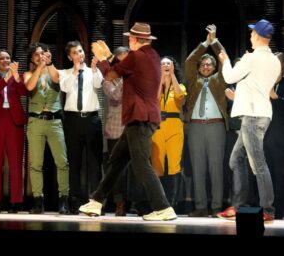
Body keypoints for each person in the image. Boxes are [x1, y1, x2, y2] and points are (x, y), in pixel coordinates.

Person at [79, 22, 177, 221]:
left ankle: (164, 208)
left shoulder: (137, 56)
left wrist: (103, 59)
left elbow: (110, 75)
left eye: (130, 38)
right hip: (141, 116)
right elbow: (125, 68)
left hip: (139, 117)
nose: (129, 40)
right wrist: (110, 57)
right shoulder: (151, 55)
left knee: (141, 165)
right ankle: (96, 201)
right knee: (117, 161)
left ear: (134, 39)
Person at [216, 19, 282, 222]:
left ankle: (268, 209)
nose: (250, 36)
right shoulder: (275, 61)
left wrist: (226, 60)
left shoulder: (251, 58)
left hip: (253, 116)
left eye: (253, 33)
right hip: (261, 114)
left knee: (258, 163)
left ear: (258, 36)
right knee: (236, 159)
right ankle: (239, 206)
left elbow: (229, 77)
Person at [183, 25, 229, 217]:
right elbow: (189, 61)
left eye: (209, 64)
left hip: (216, 126)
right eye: (202, 65)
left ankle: (217, 206)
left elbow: (224, 59)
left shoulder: (220, 79)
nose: (206, 67)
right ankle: (201, 206)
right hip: (195, 127)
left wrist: (215, 42)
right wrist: (205, 44)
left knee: (216, 168)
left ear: (214, 67)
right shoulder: (193, 80)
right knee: (198, 168)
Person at [24, 42, 69, 214]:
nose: (39, 56)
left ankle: (63, 199)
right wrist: (39, 67)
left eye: (42, 53)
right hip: (36, 121)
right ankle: (38, 200)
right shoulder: (28, 74)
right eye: (36, 54)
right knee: (36, 163)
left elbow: (57, 80)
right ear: (31, 58)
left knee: (62, 162)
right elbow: (29, 86)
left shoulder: (54, 70)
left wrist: (48, 64)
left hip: (54, 121)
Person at [60, 41, 103, 212]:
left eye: (80, 51)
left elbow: (99, 84)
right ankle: (74, 200)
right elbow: (65, 87)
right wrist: (75, 71)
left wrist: (94, 68)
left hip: (92, 120)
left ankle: (96, 201)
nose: (79, 54)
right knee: (74, 161)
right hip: (73, 120)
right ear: (70, 57)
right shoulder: (66, 73)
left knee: (94, 162)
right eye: (75, 53)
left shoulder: (93, 71)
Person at [0, 49, 28, 213]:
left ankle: (16, 201)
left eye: (8, 58)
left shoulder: (17, 76)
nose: (5, 61)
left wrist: (15, 77)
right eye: (2, 58)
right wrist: (6, 78)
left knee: (16, 163)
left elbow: (24, 92)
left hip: (14, 121)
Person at [151, 56, 187, 207]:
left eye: (168, 63)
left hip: (174, 126)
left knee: (174, 164)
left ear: (173, 66)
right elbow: (154, 99)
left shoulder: (180, 85)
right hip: (158, 127)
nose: (165, 65)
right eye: (163, 64)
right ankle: (159, 202)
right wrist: (161, 79)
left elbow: (180, 96)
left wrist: (171, 76)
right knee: (157, 164)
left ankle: (174, 203)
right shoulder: (154, 85)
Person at [264, 52, 284, 218]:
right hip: (266, 135)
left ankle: (279, 209)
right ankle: (266, 208)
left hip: (282, 136)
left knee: (280, 174)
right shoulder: (264, 82)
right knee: (266, 173)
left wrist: (273, 96)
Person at [101, 46, 130, 215]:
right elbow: (115, 95)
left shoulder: (135, 76)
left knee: (134, 167)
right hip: (115, 127)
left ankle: (137, 202)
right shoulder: (108, 79)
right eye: (121, 61)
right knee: (116, 167)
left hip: (133, 125)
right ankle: (119, 202)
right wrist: (125, 77)